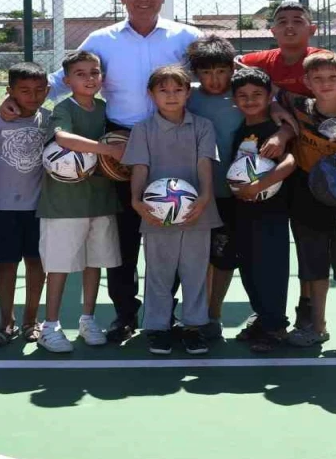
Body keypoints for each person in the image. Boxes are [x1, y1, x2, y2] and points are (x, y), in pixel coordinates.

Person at [1, 0, 201, 342]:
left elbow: (223, 72)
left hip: (172, 141)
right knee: (122, 238)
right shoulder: (101, 39)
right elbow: (61, 79)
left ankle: (165, 315)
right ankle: (125, 314)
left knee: (169, 233)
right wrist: (15, 99)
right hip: (119, 147)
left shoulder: (187, 36)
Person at [239, 1, 336, 330]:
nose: (289, 26)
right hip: (283, 164)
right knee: (300, 246)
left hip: (328, 169)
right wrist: (273, 102)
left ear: (312, 28)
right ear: (272, 30)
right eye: (282, 21)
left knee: (335, 249)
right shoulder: (262, 60)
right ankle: (295, 311)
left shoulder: (324, 61)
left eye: (298, 20)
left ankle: (319, 314)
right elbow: (233, 64)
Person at [276, 51, 336, 356]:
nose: (325, 84)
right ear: (306, 82)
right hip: (307, 200)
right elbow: (268, 91)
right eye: (317, 79)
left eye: (333, 78)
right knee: (314, 268)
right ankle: (317, 327)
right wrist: (278, 115)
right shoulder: (297, 108)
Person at [124, 65, 222, 356]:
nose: (171, 95)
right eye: (163, 90)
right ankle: (158, 328)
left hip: (197, 212)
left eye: (178, 89)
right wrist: (136, 200)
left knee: (195, 272)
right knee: (159, 272)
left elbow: (205, 164)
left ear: (188, 93)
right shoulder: (143, 129)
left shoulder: (203, 126)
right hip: (155, 214)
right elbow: (140, 168)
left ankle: (194, 327)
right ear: (151, 94)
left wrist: (204, 197)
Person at [35, 51, 124, 353]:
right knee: (59, 267)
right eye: (81, 73)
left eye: (94, 72)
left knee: (94, 262)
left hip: (101, 200)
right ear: (67, 80)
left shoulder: (106, 109)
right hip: (65, 203)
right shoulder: (64, 108)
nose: (89, 78)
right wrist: (107, 151)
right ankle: (50, 325)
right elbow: (63, 139)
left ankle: (88, 319)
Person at [228, 68, 297, 353]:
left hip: (271, 212)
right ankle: (262, 317)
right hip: (243, 211)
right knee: (248, 267)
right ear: (234, 100)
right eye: (242, 95)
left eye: (257, 94)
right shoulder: (240, 130)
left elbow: (290, 162)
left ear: (270, 97)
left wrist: (260, 185)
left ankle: (276, 326)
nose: (250, 100)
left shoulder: (273, 130)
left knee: (271, 268)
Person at [0, 62, 51, 347]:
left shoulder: (50, 120)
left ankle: (30, 321)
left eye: (39, 90)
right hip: (1, 207)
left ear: (48, 90)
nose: (32, 96)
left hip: (39, 208)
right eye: (24, 90)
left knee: (37, 263)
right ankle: (5, 322)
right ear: (9, 91)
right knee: (7, 264)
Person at [185, 35, 245, 341]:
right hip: (193, 193)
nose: (214, 79)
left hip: (233, 194)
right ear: (196, 73)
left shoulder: (245, 94)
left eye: (221, 71)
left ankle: (214, 314)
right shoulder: (187, 97)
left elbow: (274, 98)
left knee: (224, 257)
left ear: (232, 69)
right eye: (206, 72)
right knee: (194, 258)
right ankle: (192, 314)